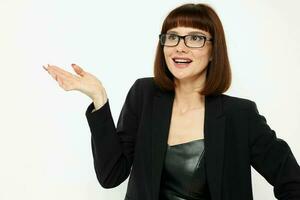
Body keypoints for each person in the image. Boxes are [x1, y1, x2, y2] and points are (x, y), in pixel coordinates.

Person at [43, 3, 300, 200]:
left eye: (195, 38)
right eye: (172, 36)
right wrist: (99, 97)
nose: (180, 47)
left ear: (213, 51)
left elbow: (292, 182)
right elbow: (111, 175)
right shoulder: (144, 95)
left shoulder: (240, 114)